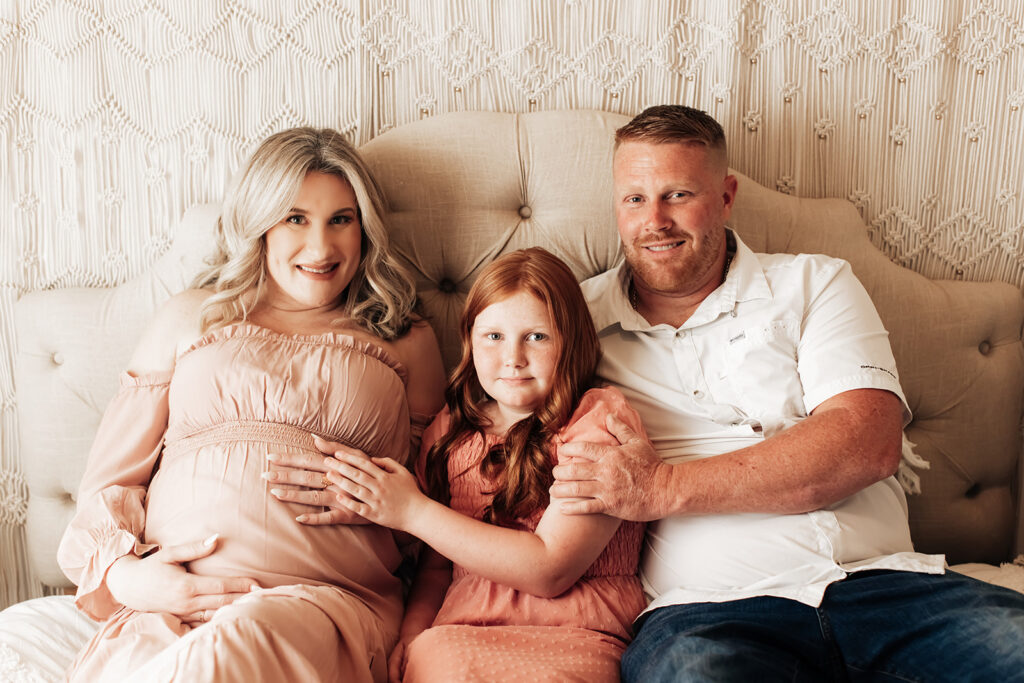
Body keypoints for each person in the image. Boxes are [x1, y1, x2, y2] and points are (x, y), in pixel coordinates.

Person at [549, 105, 1024, 682]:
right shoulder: (573, 320)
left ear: (726, 197)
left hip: (885, 587)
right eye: (634, 199)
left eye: (677, 195)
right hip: (708, 612)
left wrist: (660, 487)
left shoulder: (814, 282)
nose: (655, 220)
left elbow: (867, 443)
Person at [56, 127, 446, 682]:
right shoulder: (190, 316)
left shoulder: (405, 339)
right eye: (295, 218)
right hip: (173, 604)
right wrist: (129, 579)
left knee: (234, 644)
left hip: (322, 606)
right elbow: (107, 487)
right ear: (259, 223)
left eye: (342, 219)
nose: (321, 248)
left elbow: (437, 514)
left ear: (365, 229)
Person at [290, 247, 648, 682]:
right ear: (469, 340)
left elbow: (550, 569)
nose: (513, 358)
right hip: (460, 633)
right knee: (435, 658)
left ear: (571, 342)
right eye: (493, 337)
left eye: (537, 337)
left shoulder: (597, 422)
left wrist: (412, 511)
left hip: (574, 634)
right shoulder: (451, 432)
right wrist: (412, 635)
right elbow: (437, 567)